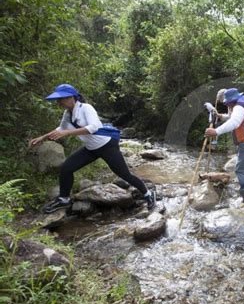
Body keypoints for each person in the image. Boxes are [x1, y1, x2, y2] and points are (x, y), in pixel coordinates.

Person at [29, 84, 157, 213]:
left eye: (60, 99)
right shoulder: (67, 113)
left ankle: (148, 194)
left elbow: (93, 127)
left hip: (107, 146)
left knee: (124, 174)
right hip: (91, 148)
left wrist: (68, 133)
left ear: (70, 98)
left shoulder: (86, 108)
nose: (58, 102)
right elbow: (61, 129)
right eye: (58, 99)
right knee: (66, 168)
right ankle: (64, 199)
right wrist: (41, 138)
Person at [205, 88, 244, 205]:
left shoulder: (238, 107)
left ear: (230, 101)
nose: (225, 104)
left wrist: (216, 131)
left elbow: (235, 122)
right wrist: (221, 116)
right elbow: (234, 117)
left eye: (225, 102)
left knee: (241, 170)